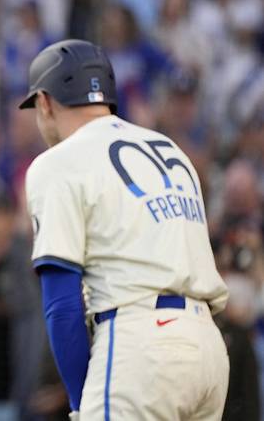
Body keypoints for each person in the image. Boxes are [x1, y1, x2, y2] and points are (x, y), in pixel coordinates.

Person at [18, 39, 229, 421]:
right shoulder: (170, 150)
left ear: (46, 101)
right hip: (209, 350)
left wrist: (82, 402)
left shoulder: (58, 163)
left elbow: (62, 304)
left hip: (140, 346)